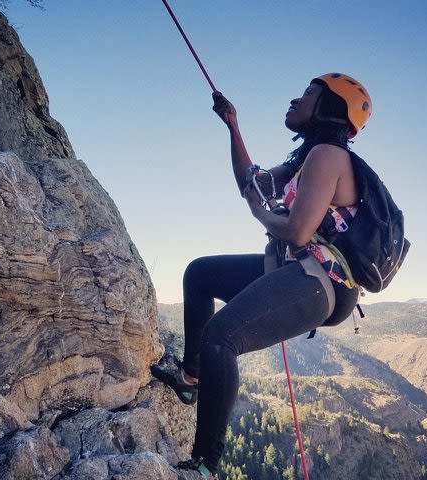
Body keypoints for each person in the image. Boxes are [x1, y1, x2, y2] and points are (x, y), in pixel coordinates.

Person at [151, 73, 372, 480]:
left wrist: (261, 214)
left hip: (321, 280)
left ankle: (204, 466)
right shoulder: (306, 159)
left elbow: (297, 231)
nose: (295, 98)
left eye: (308, 93)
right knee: (200, 275)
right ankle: (191, 377)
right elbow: (251, 185)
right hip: (298, 268)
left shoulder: (328, 156)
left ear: (330, 107)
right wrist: (233, 126)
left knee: (222, 337)